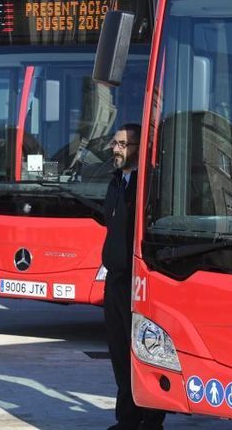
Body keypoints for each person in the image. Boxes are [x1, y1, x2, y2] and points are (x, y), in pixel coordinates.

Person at [102, 123, 166, 430]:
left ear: (140, 149)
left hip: (137, 281)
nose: (117, 149)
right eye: (115, 143)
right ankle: (126, 419)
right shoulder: (116, 181)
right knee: (118, 353)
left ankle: (151, 420)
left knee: (142, 351)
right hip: (114, 281)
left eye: (124, 144)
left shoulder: (147, 185)